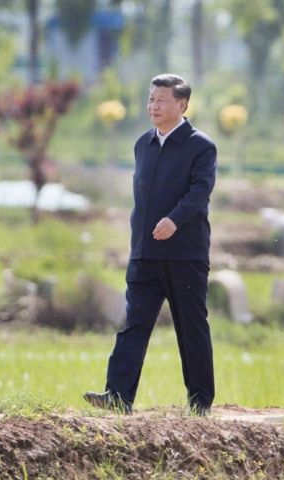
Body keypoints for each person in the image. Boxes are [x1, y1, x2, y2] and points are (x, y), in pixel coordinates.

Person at [84, 74, 217, 416]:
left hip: (184, 255)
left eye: (161, 100)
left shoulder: (201, 146)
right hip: (145, 254)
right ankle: (117, 396)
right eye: (151, 99)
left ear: (182, 104)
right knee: (134, 324)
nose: (153, 106)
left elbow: (199, 192)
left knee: (190, 327)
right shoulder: (143, 143)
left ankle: (200, 402)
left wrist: (174, 220)